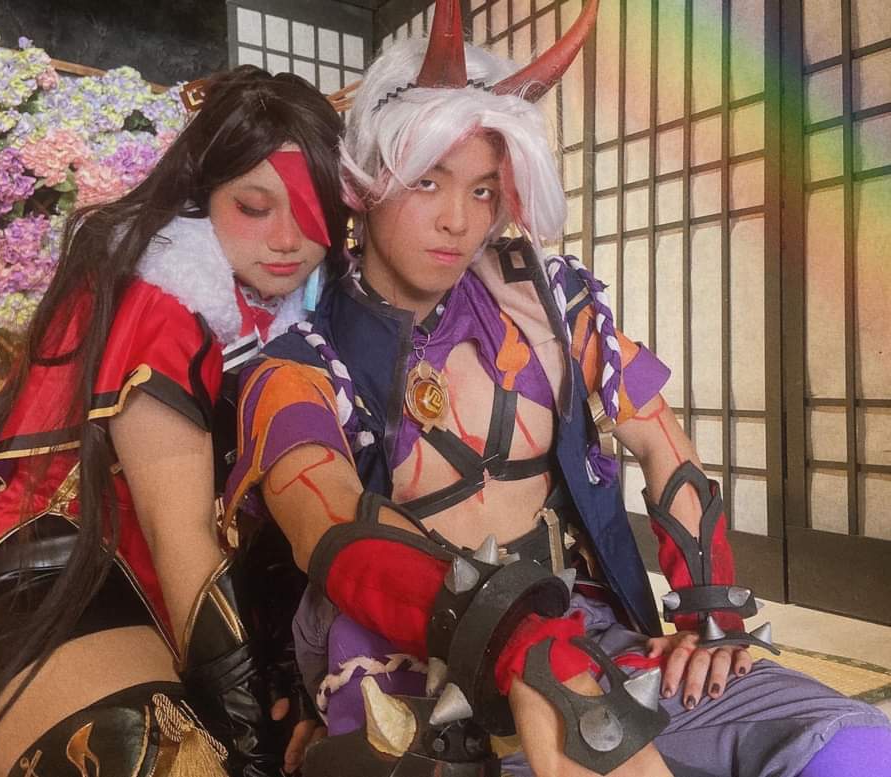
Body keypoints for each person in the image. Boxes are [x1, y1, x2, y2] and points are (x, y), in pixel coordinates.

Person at [222, 3, 891, 776]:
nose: (457, 221)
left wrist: (710, 607)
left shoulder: (547, 305)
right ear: (368, 181)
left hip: (590, 634)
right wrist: (515, 641)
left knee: (857, 746)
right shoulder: (299, 359)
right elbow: (328, 524)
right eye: (429, 181)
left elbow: (661, 441)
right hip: (407, 675)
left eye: (483, 191)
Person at [0, 66, 345, 777]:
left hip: (160, 591)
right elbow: (179, 536)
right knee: (174, 761)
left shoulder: (289, 317)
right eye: (254, 207)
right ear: (202, 195)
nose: (287, 238)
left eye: (314, 210)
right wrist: (249, 747)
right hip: (44, 575)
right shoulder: (159, 297)